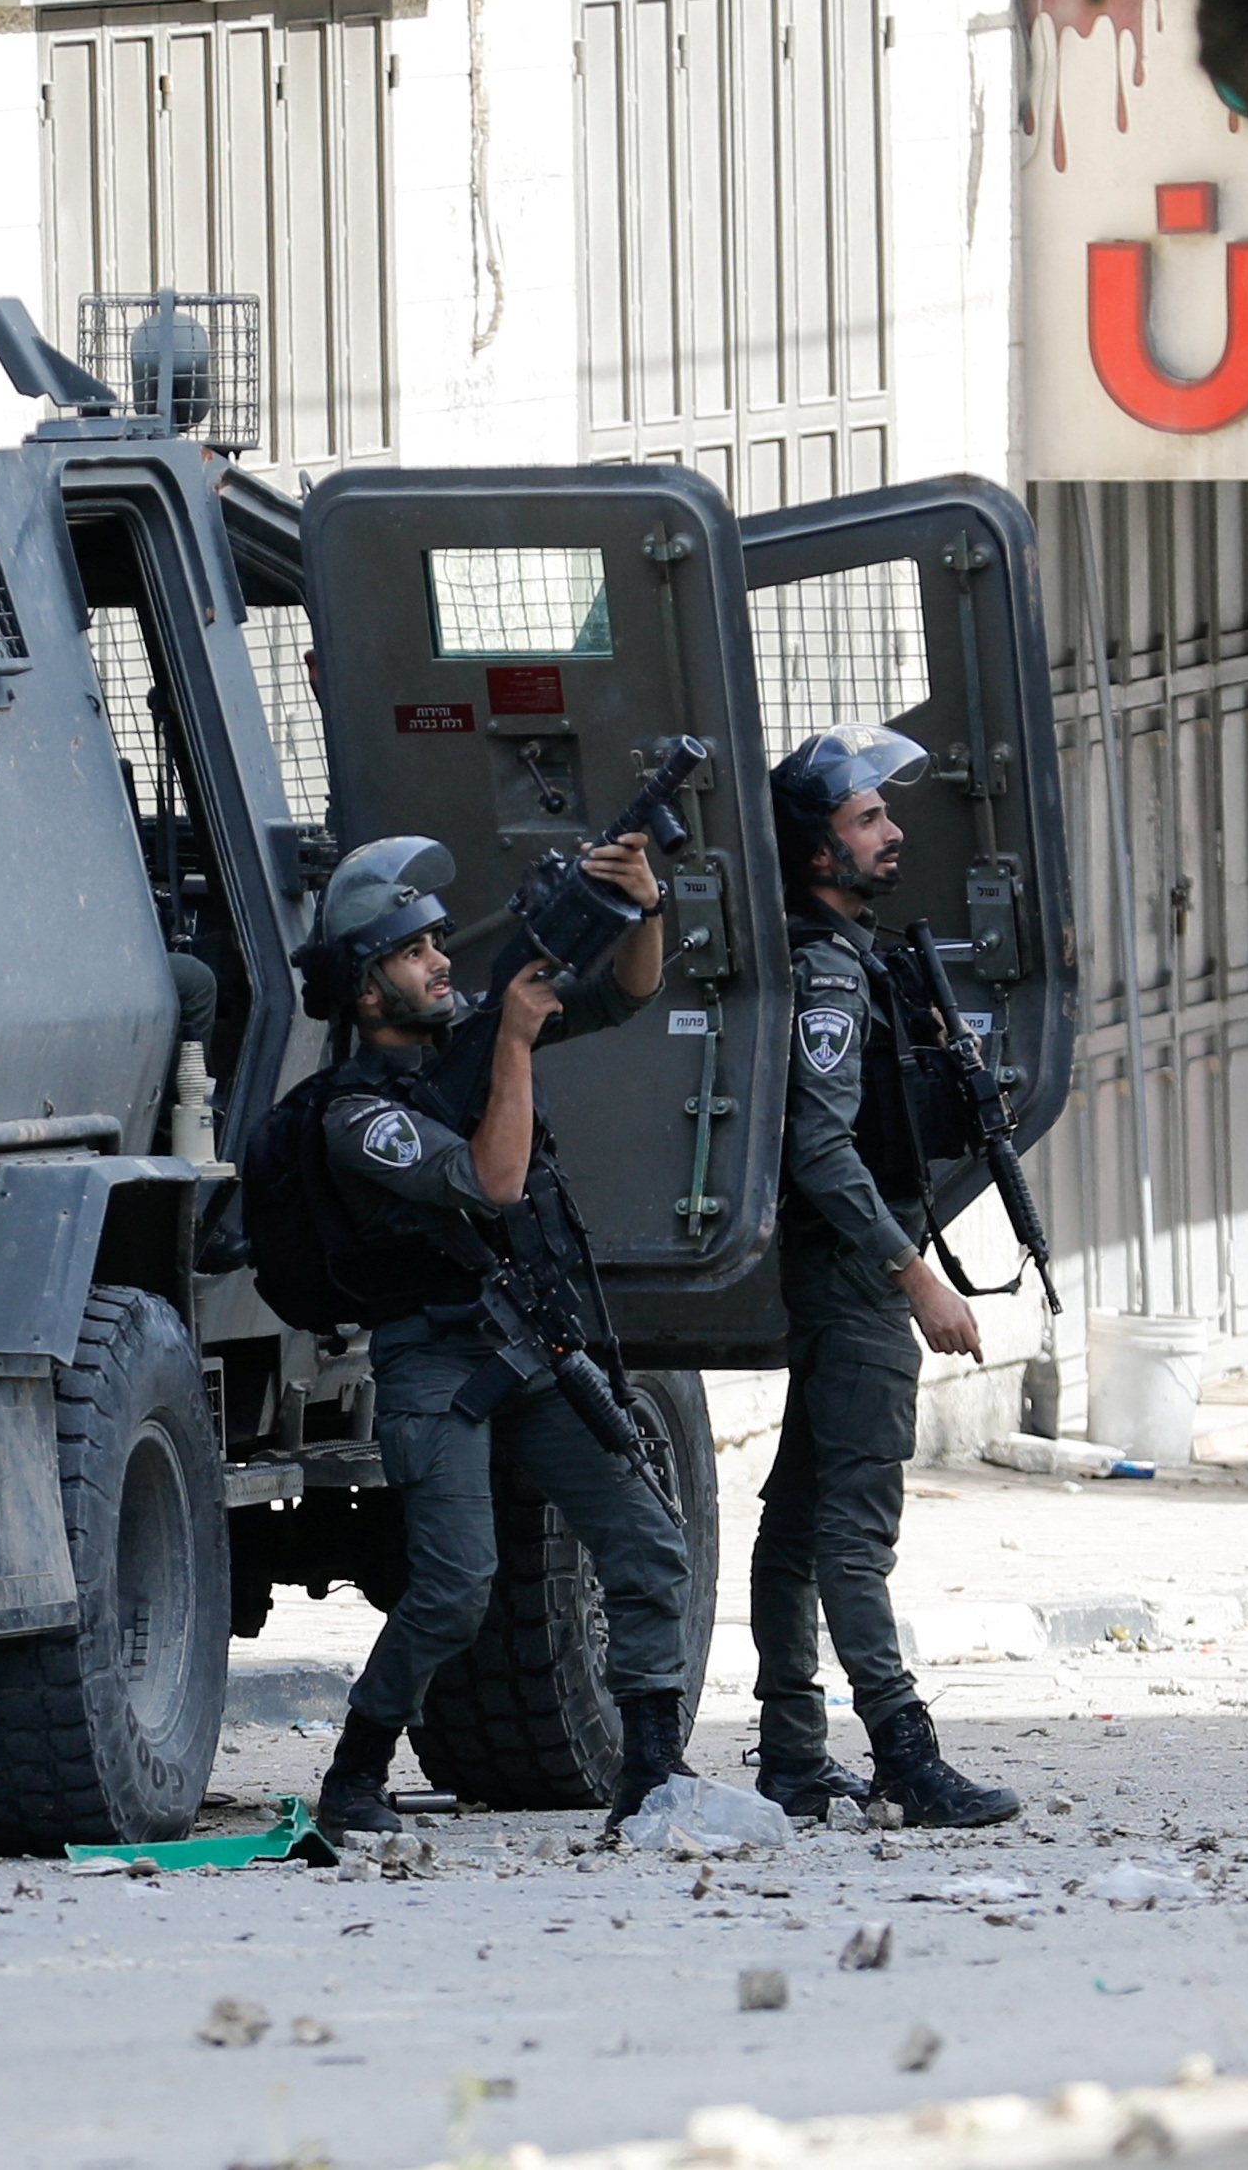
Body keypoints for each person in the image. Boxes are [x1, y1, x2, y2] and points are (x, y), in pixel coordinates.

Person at [291, 829, 696, 1836]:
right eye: (412, 952)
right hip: (434, 1356)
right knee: (454, 1586)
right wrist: (512, 1043)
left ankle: (650, 1775)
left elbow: (626, 994)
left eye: (438, 943)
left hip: (525, 1338)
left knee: (648, 1546)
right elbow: (490, 1181)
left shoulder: (469, 1037)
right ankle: (354, 1773)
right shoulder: (356, 1114)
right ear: (365, 986)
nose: (438, 963)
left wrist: (642, 906)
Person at [746, 723, 1021, 1829]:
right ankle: (903, 1754)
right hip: (854, 1278)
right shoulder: (822, 970)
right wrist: (913, 1274)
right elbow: (816, 1145)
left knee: (799, 1516)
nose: (891, 829)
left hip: (849, 1272)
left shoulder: (853, 952)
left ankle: (791, 1754)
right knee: (854, 1525)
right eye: (865, 818)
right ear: (816, 853)